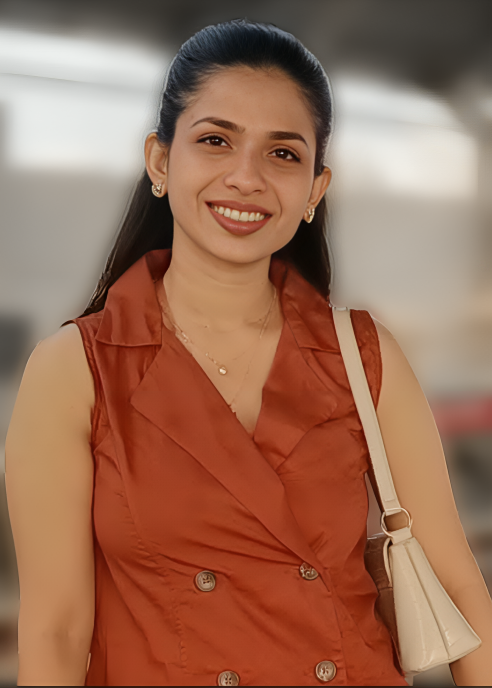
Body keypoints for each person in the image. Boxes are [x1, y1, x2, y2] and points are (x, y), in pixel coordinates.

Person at [5, 19, 492, 687]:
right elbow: (57, 631)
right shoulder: (76, 368)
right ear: (159, 161)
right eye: (215, 141)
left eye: (283, 154)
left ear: (315, 189)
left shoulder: (361, 354)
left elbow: (457, 583)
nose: (246, 177)